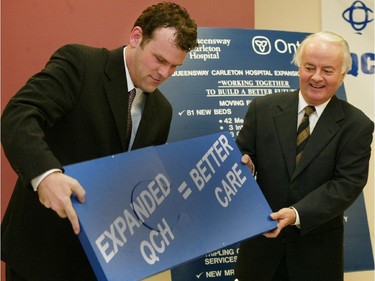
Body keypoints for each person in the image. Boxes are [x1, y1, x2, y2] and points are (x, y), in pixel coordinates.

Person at [1, 2, 198, 280]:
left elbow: (138, 183)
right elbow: (19, 115)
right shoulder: (81, 64)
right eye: (159, 59)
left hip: (102, 264)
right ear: (136, 37)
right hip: (41, 253)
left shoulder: (162, 111)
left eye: (174, 66)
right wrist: (45, 175)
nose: (164, 73)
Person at [234, 31, 374, 281]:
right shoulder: (262, 108)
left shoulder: (357, 125)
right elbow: (242, 154)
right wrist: (243, 163)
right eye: (309, 67)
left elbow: (346, 185)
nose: (316, 77)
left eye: (328, 70)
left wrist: (296, 214)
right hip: (259, 254)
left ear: (342, 75)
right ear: (299, 67)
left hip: (316, 259)